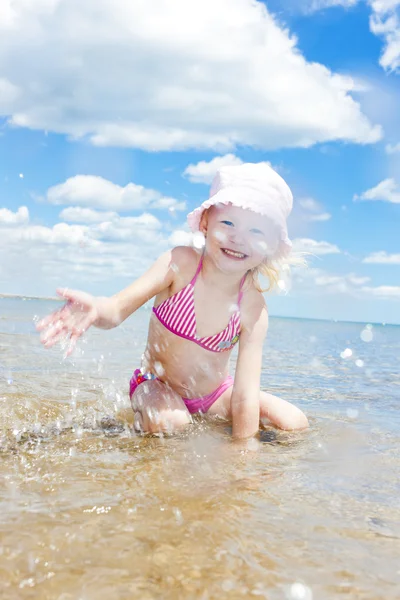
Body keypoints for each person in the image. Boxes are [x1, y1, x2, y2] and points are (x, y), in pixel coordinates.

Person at [37, 163, 309, 439]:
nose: (238, 238)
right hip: (156, 385)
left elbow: (244, 395)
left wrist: (242, 456)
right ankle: (147, 429)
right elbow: (117, 310)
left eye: (256, 231)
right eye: (228, 222)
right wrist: (97, 308)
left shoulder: (253, 306)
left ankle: (217, 439)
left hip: (214, 397)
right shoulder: (180, 264)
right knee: (174, 422)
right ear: (205, 224)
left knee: (293, 422)